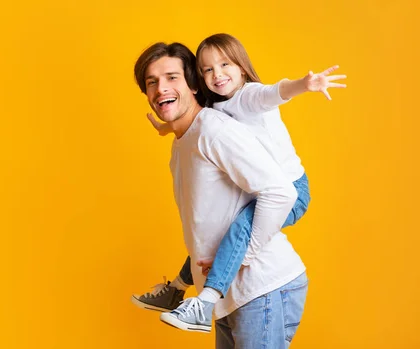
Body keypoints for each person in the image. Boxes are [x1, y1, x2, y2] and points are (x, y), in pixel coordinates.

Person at [132, 34, 345, 337]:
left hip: (262, 287)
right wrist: (166, 128)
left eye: (171, 77)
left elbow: (282, 192)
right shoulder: (190, 135)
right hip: (233, 296)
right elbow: (208, 224)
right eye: (152, 82)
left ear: (191, 85)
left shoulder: (220, 125)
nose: (161, 87)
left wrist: (305, 84)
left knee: (239, 230)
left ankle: (195, 295)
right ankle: (178, 289)